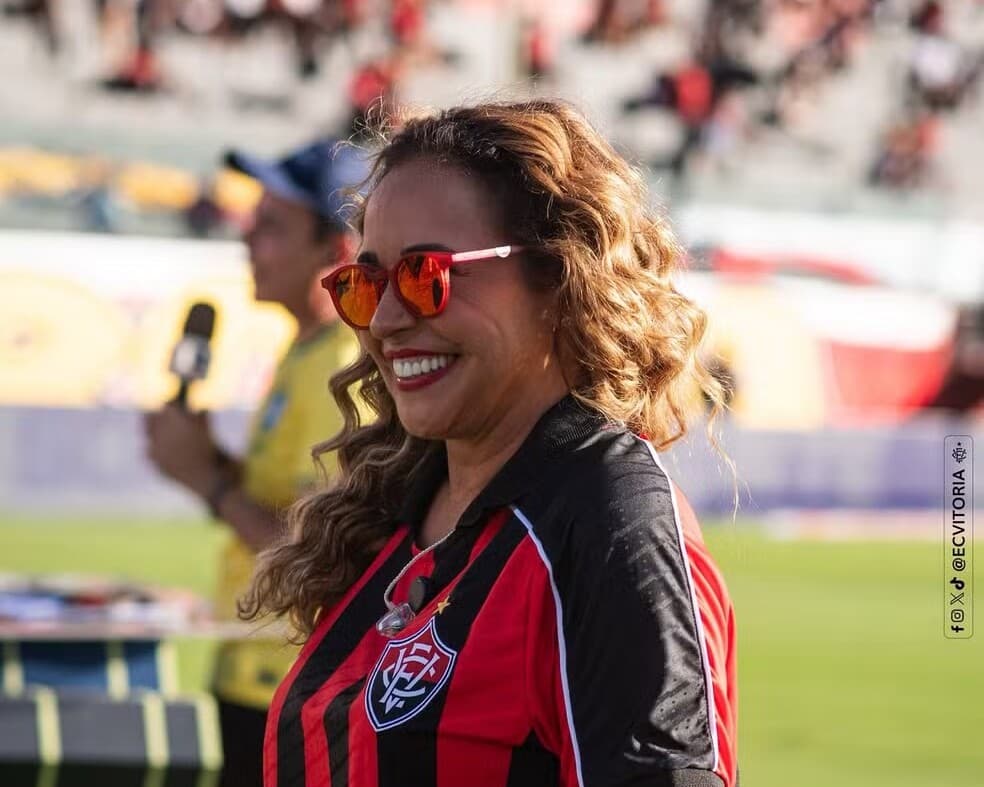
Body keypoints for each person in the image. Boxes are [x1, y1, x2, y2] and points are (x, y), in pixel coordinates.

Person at [242, 100, 739, 787]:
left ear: (558, 278)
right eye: (367, 282)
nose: (384, 320)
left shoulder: (609, 516)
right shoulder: (399, 502)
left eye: (425, 275)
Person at [144, 139, 367, 787]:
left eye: (270, 226)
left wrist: (208, 481)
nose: (247, 240)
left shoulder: (339, 361)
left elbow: (319, 553)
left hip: (289, 685)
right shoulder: (305, 349)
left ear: (336, 252)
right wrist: (204, 457)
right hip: (258, 672)